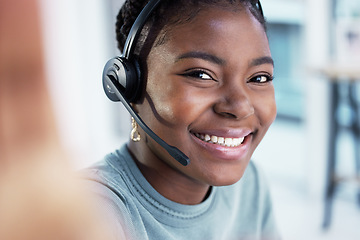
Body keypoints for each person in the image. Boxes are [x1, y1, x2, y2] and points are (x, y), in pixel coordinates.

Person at [83, 0, 279, 239]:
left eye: (259, 78)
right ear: (127, 87)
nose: (240, 107)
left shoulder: (249, 185)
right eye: (201, 74)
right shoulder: (91, 215)